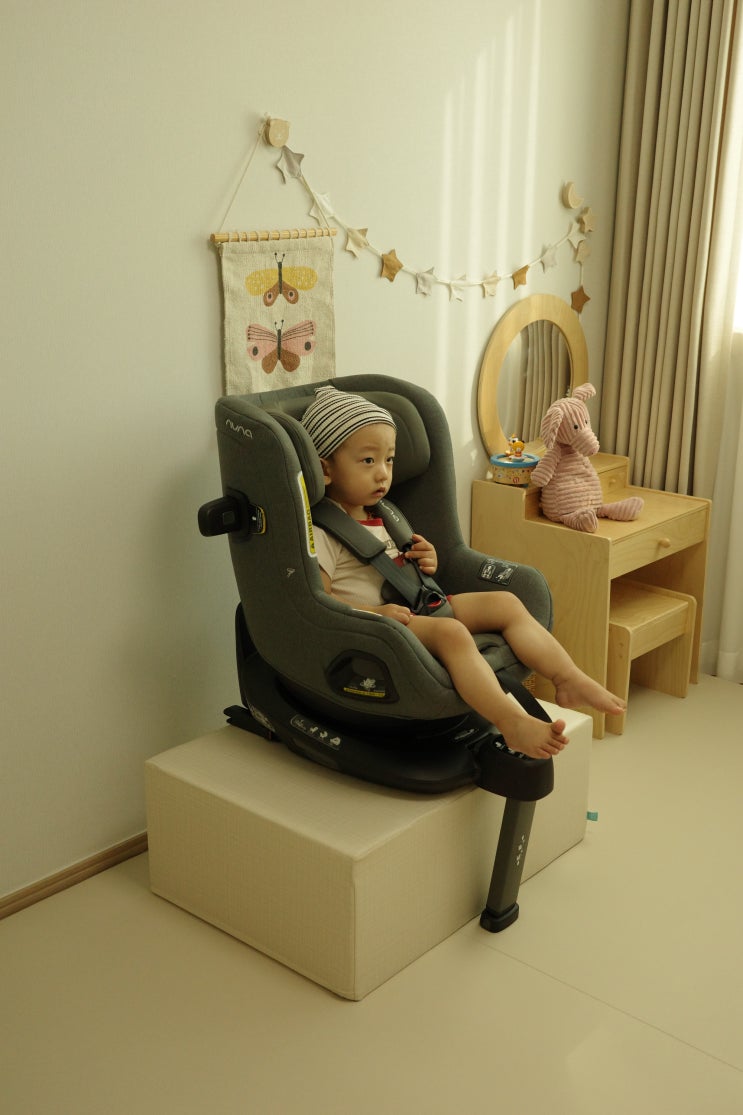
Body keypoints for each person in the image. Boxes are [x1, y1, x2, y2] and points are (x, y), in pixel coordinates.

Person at [301, 385, 625, 760]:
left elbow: (399, 567)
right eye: (368, 461)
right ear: (326, 470)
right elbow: (321, 600)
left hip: (422, 603)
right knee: (452, 633)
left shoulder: (383, 514)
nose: (383, 475)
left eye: (389, 460)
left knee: (505, 603)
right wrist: (376, 614)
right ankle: (510, 721)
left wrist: (427, 559)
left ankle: (567, 677)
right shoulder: (324, 533)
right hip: (384, 627)